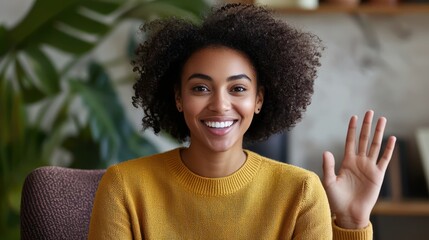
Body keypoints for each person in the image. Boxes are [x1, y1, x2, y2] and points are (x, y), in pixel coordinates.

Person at [88, 3, 396, 239]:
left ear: (259, 99)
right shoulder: (125, 188)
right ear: (178, 98)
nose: (220, 105)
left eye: (238, 89)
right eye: (200, 88)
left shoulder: (300, 192)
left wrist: (352, 224)